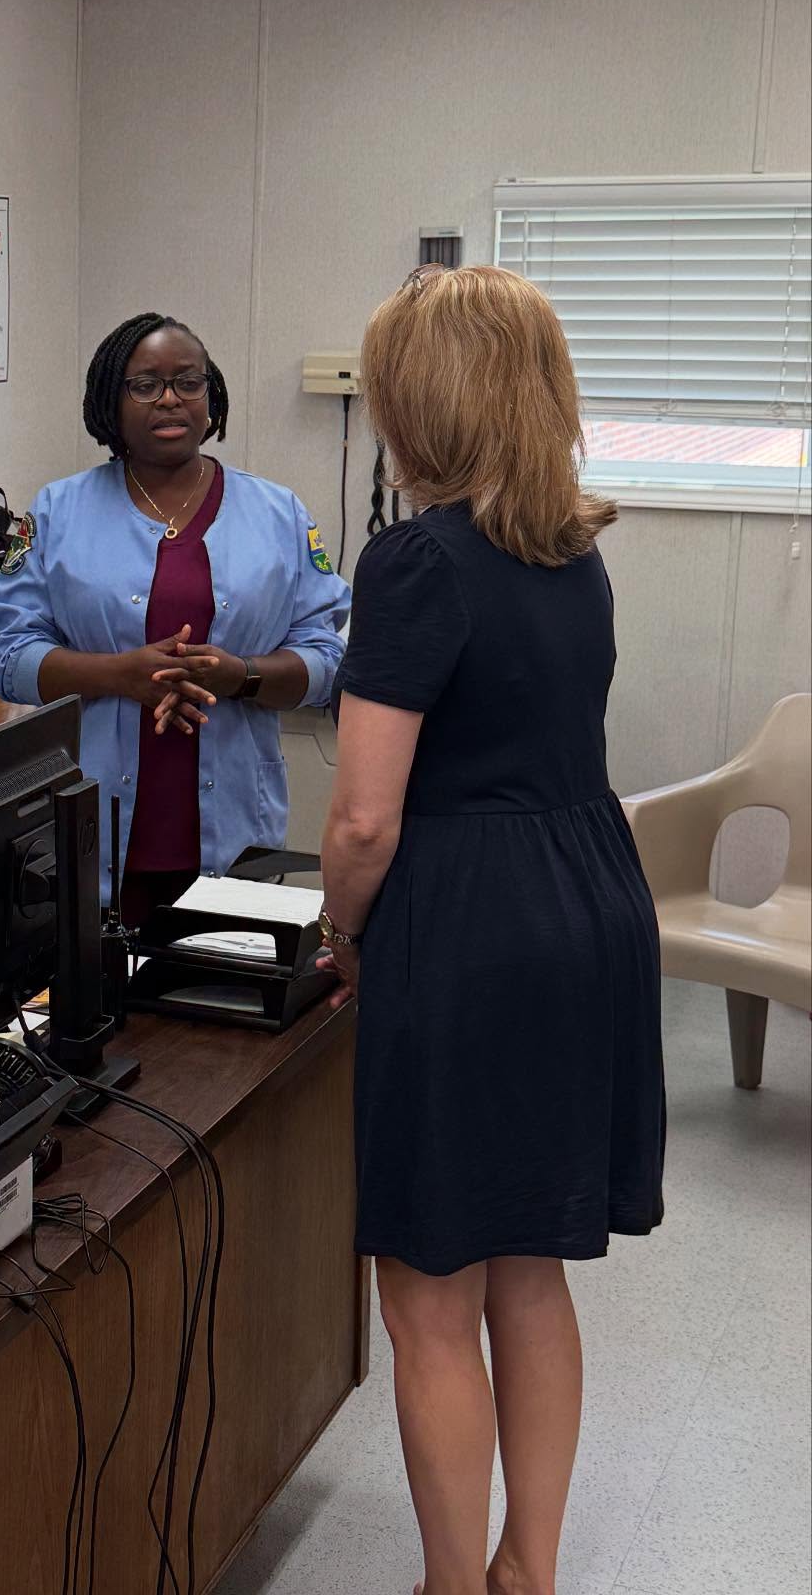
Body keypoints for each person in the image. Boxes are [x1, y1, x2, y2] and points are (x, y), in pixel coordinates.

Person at [315, 266, 665, 1595]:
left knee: (427, 1294)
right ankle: (529, 1571)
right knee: (531, 1270)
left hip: (468, 926)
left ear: (420, 403)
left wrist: (336, 935)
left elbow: (361, 820)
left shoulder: (416, 563)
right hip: (590, 904)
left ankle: (452, 1587)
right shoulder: (571, 552)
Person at [0, 311, 349, 925]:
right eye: (145, 385)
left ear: (213, 395)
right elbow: (6, 658)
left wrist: (243, 676)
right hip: (93, 833)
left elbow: (328, 657)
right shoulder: (55, 512)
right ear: (110, 401)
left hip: (236, 833)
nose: (171, 399)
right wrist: (117, 675)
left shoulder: (278, 513)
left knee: (221, 1006)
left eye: (189, 381)